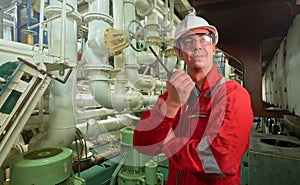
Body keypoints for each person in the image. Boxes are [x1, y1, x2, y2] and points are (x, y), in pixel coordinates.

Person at [133, 13, 253, 185]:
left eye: (203, 39)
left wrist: (170, 142)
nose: (197, 46)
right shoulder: (173, 94)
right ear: (180, 53)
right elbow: (142, 143)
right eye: (188, 42)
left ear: (213, 47)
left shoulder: (232, 95)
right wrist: (172, 105)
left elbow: (219, 160)